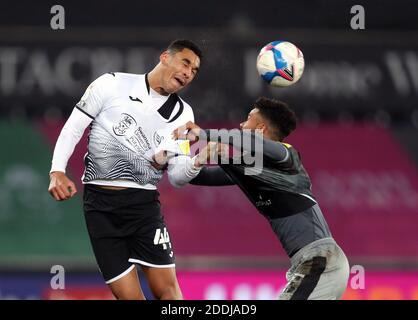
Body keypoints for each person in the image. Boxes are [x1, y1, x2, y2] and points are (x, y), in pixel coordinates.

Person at [48, 39, 205, 300]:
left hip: (143, 206)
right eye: (185, 63)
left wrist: (197, 159)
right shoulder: (111, 83)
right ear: (165, 57)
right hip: (99, 207)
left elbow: (177, 176)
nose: (189, 72)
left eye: (195, 70)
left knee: (168, 294)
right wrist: (57, 170)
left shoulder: (183, 114)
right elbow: (74, 126)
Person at [173, 97, 350, 300]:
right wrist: (176, 155)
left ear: (261, 129)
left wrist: (204, 134)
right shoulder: (252, 169)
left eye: (248, 119)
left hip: (322, 260)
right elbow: (198, 177)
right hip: (311, 263)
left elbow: (246, 140)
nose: (241, 124)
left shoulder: (287, 156)